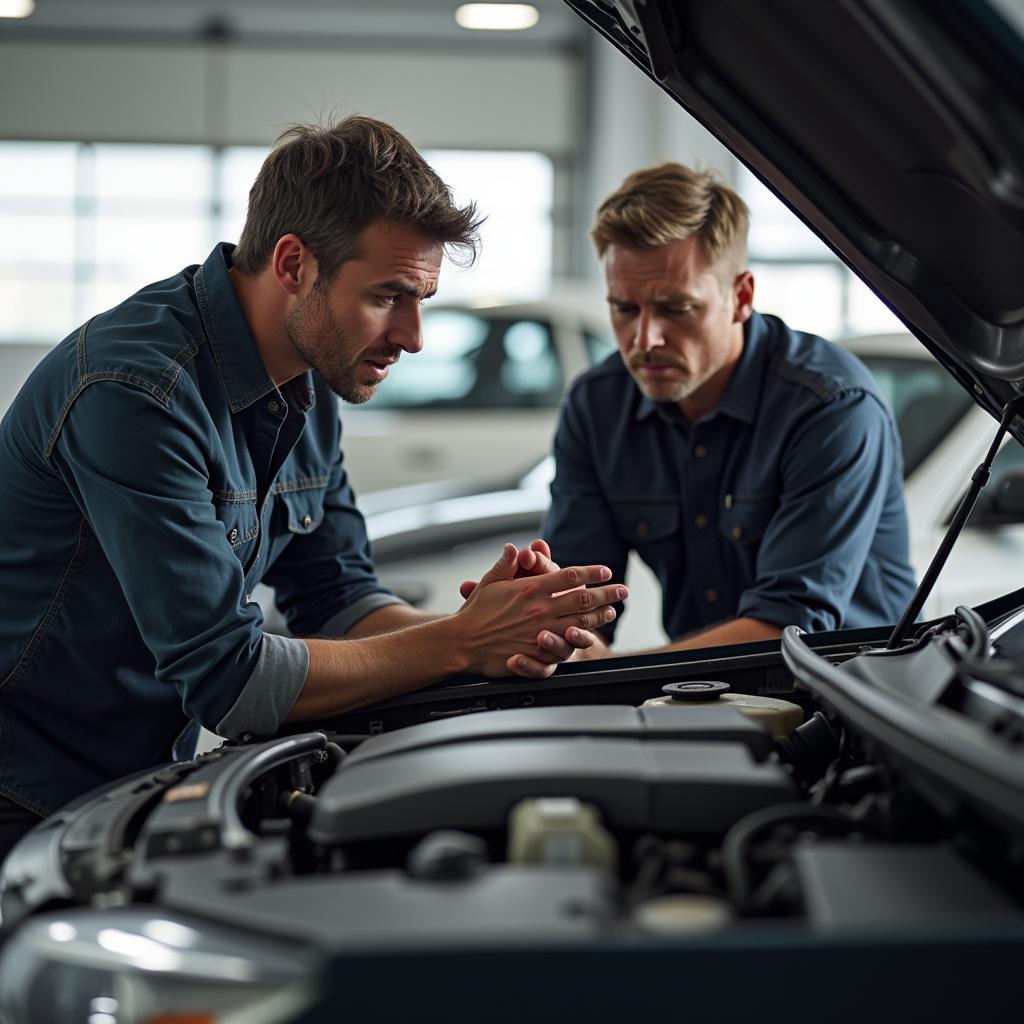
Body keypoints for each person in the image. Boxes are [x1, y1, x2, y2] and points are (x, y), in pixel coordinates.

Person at [0, 116, 626, 851]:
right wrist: (462, 640)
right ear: (294, 263)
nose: (414, 336)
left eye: (422, 298)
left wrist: (506, 626)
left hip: (131, 778)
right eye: (389, 296)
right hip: (21, 788)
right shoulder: (133, 391)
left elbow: (339, 599)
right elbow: (232, 682)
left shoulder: (309, 376)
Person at [543, 162, 915, 659]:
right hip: (692, 697)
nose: (645, 340)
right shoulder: (597, 405)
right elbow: (577, 603)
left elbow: (789, 628)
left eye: (676, 308)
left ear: (740, 297)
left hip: (851, 701)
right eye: (625, 309)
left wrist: (614, 672)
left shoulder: (830, 408)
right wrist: (561, 648)